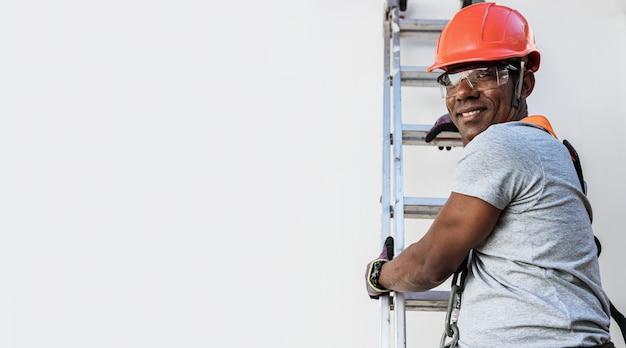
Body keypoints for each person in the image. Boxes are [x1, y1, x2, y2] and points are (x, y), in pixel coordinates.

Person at [365, 2, 615, 347]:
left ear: (524, 83)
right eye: (452, 79)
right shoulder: (547, 147)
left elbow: (429, 265)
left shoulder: (501, 144)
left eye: (484, 73)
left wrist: (379, 275)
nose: (463, 91)